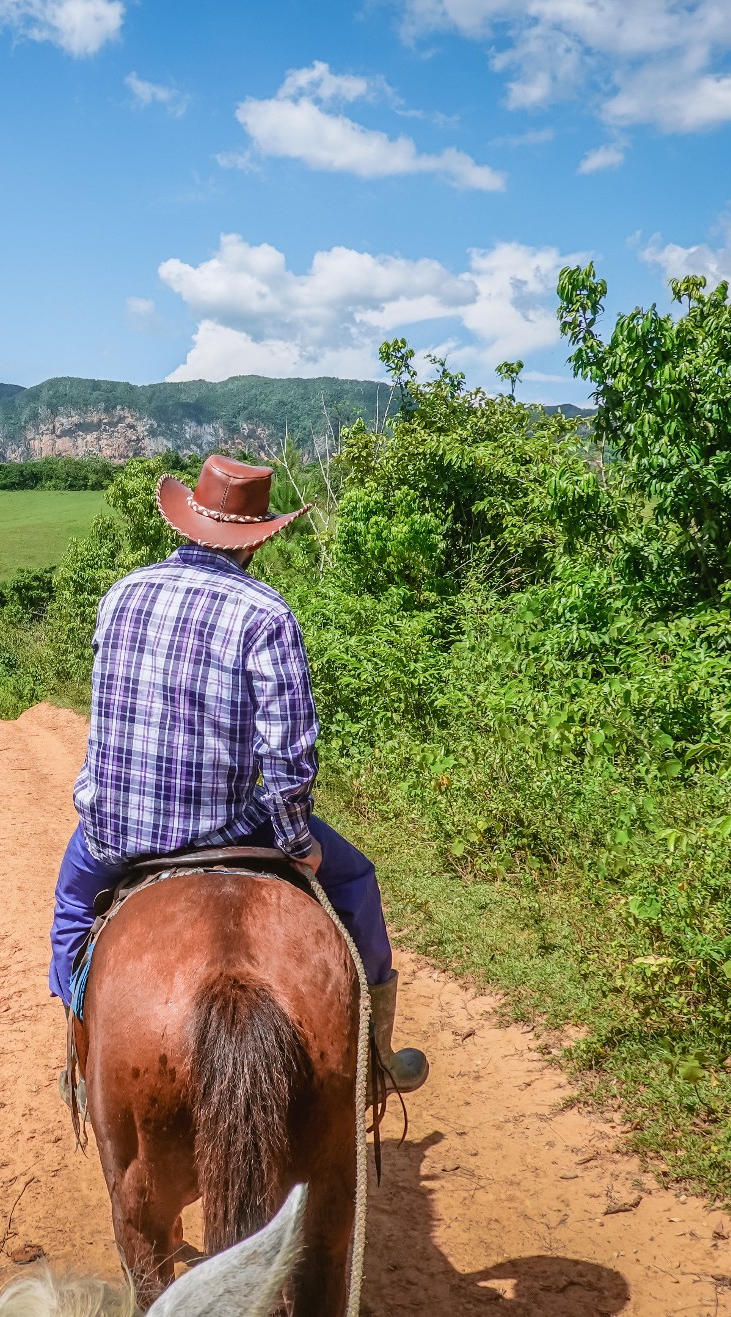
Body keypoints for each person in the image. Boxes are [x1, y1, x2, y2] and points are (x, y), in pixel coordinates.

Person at [51, 454, 429, 1092]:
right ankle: (377, 1056)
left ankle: (81, 1058)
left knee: (70, 906)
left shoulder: (121, 595)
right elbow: (289, 758)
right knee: (357, 880)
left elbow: (109, 709)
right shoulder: (267, 614)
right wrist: (297, 842)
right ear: (257, 538)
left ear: (188, 521)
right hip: (228, 829)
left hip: (116, 832)